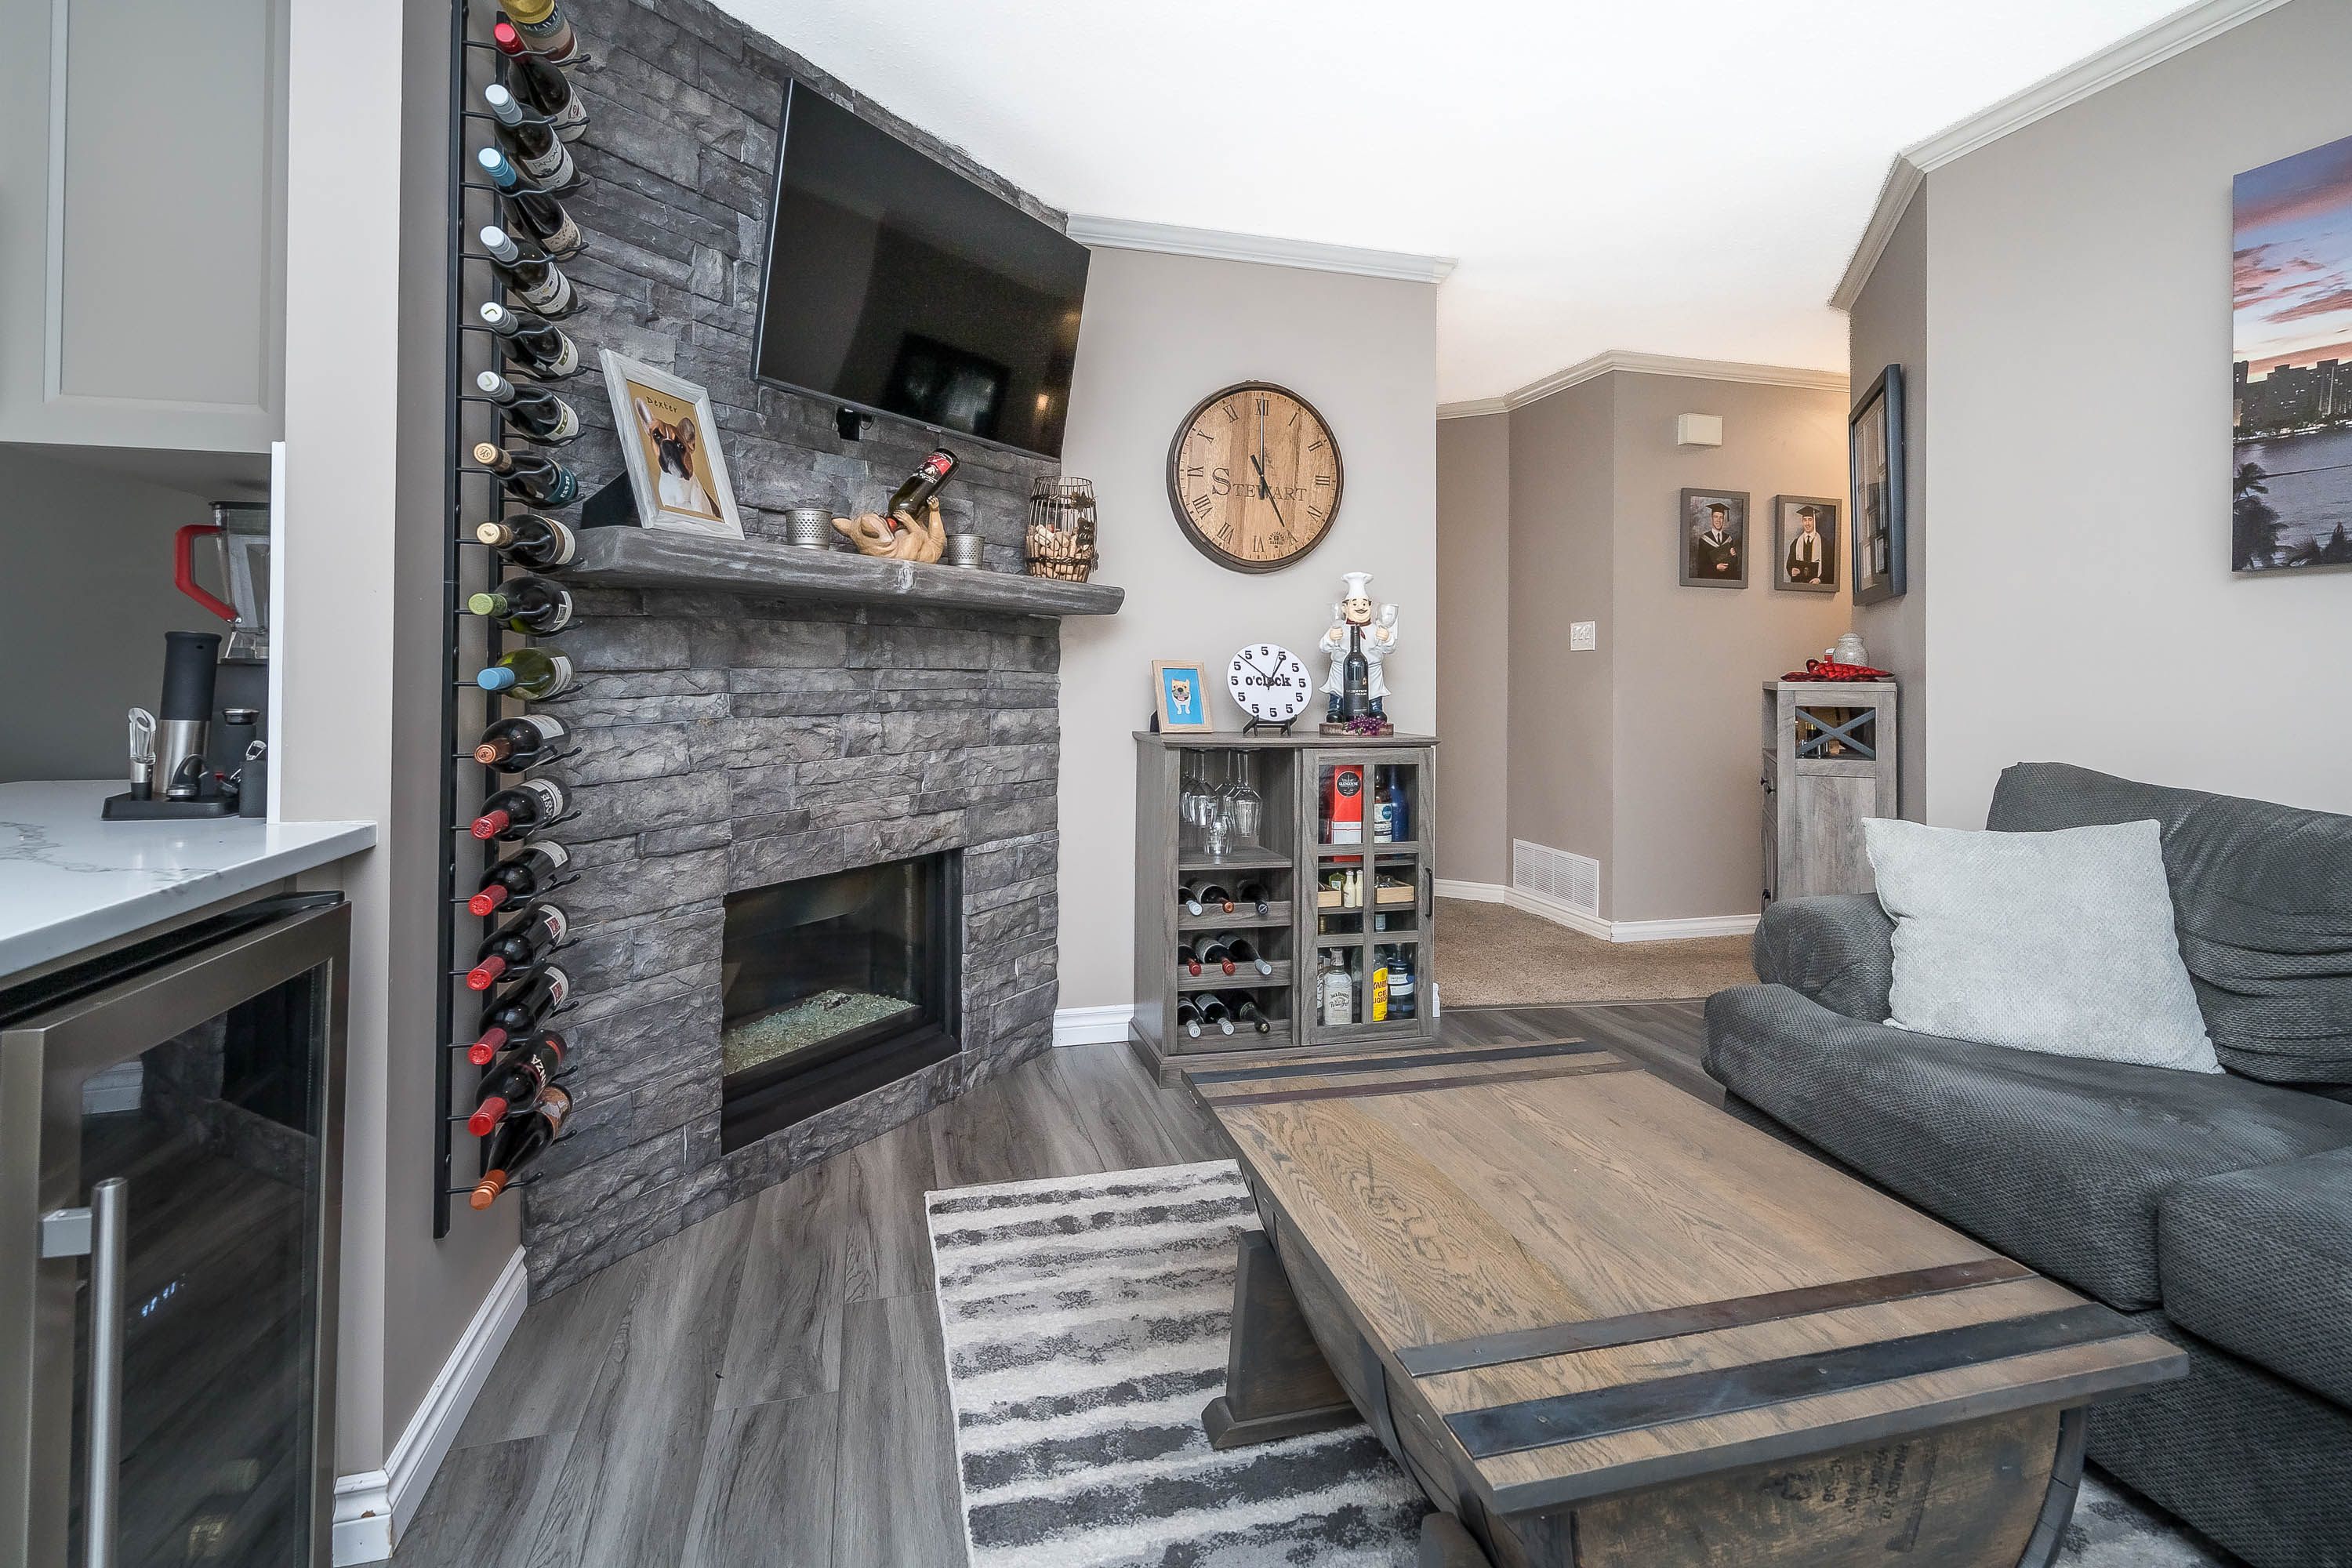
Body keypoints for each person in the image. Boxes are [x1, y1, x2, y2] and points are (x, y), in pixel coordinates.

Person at [1692, 503, 1740, 579]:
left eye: (1721, 517)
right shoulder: (1704, 540)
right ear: (1712, 518)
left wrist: (1734, 556)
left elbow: (1734, 565)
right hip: (1710, 579)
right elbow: (1701, 565)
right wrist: (1716, 568)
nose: (1718, 520)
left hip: (1726, 580)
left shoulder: (1729, 539)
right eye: (1716, 517)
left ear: (1724, 519)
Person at [1785, 505, 1826, 584]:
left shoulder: (1824, 543)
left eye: (1810, 520)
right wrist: (1791, 570)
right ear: (1802, 522)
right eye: (1805, 520)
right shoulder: (1795, 543)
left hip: (1817, 587)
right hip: (1799, 585)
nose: (1807, 524)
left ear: (1814, 521)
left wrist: (1820, 579)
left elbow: (1830, 567)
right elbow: (1789, 564)